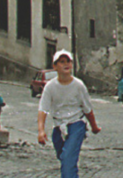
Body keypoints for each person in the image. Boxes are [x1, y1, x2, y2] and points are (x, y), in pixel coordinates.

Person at [37, 50, 101, 178]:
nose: (66, 64)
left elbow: (88, 109)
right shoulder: (50, 87)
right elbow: (43, 109)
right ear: (55, 66)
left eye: (68, 62)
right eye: (62, 62)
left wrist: (94, 126)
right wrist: (41, 130)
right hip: (59, 126)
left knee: (67, 158)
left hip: (76, 124)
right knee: (64, 158)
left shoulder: (78, 85)